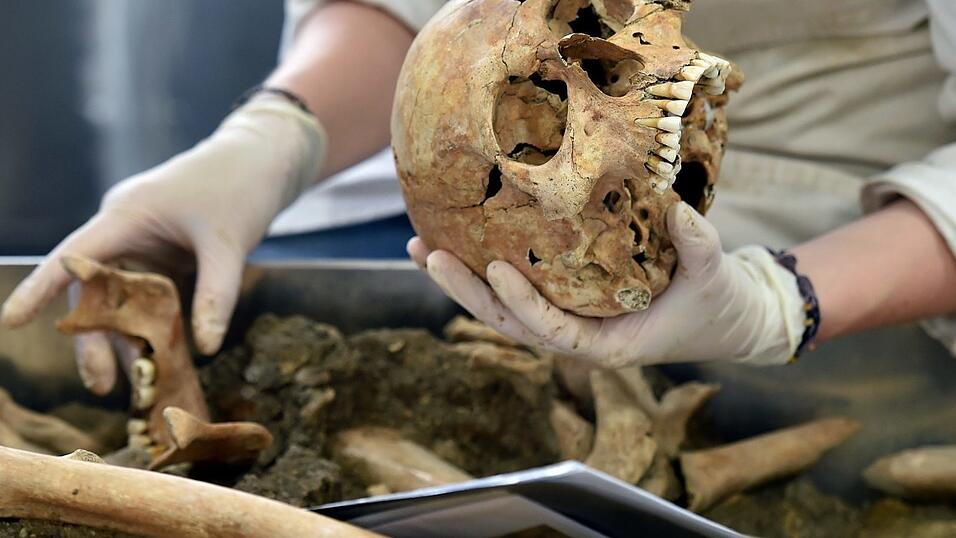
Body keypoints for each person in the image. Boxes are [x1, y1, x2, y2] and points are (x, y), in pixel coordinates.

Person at [2, 0, 956, 392]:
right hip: (452, 199)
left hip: (850, 230)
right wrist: (271, 139)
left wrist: (784, 300)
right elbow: (429, 19)